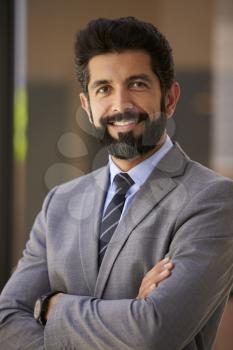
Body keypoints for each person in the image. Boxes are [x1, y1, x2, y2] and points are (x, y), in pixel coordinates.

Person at [0, 16, 233, 350]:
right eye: (104, 89)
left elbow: (154, 332)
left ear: (169, 98)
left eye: (137, 84)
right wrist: (130, 313)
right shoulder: (60, 203)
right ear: (88, 106)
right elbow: (7, 319)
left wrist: (51, 306)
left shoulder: (213, 199)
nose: (121, 104)